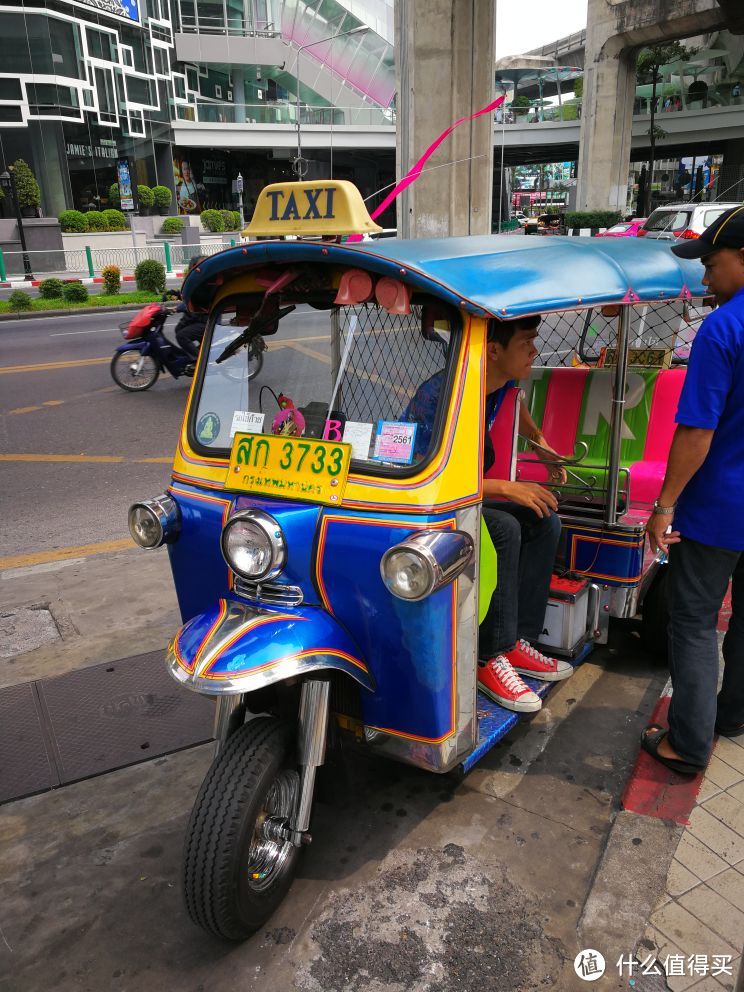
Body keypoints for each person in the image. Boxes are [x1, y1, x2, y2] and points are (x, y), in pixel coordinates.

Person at [404, 315, 574, 714]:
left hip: (467, 495)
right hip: (429, 507)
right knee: (504, 527)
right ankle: (488, 656)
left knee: (544, 518)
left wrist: (544, 448)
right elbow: (427, 480)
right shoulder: (444, 394)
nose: (535, 350)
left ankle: (517, 642)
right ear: (494, 350)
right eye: (526, 343)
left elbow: (522, 412)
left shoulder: (500, 382)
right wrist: (504, 487)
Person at [642, 206, 744, 775]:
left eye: (711, 264)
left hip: (721, 507)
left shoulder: (725, 327)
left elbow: (698, 430)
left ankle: (686, 743)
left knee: (694, 622)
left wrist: (664, 506)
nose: (706, 279)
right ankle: (732, 716)